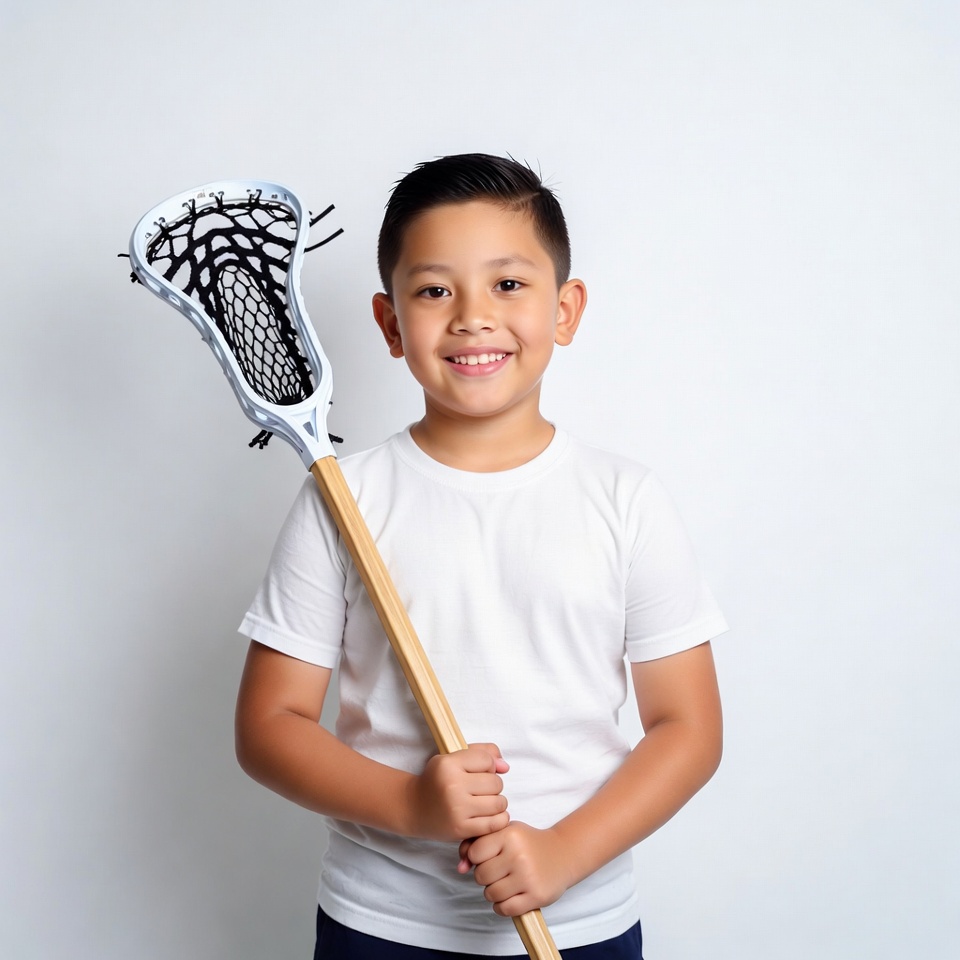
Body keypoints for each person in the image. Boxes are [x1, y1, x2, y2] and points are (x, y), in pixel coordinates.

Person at [235, 154, 728, 959]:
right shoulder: (340, 498)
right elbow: (268, 726)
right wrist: (410, 804)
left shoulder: (626, 499)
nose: (471, 317)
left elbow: (689, 729)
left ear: (565, 310)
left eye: (508, 285)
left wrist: (566, 852)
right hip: (382, 923)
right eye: (433, 291)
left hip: (582, 919)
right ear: (390, 325)